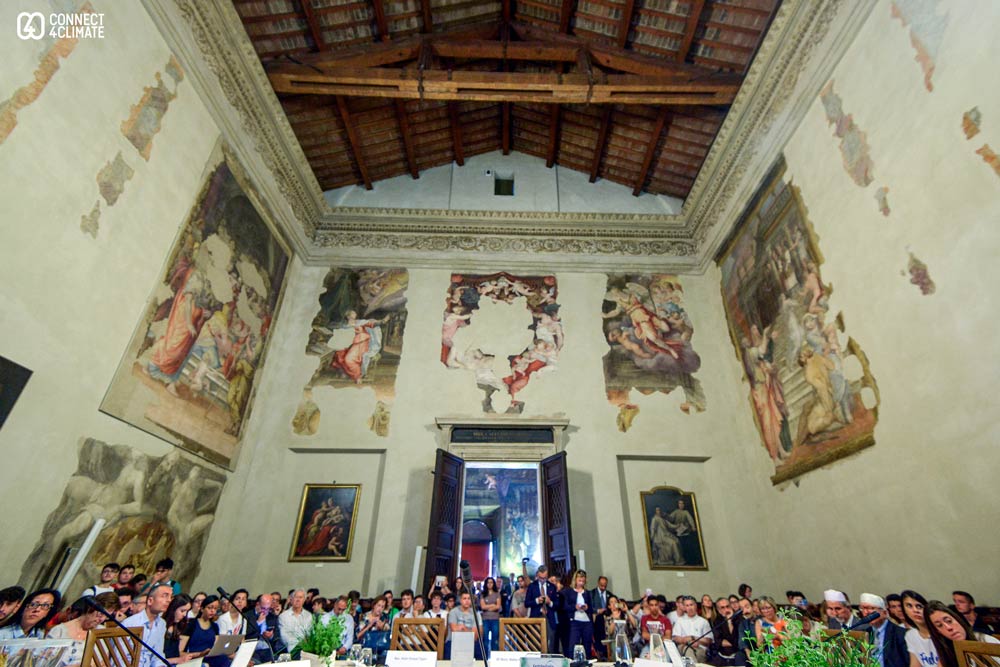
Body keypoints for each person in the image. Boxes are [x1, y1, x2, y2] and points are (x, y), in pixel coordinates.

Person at [926, 600, 1000, 667]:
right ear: (938, 632)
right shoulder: (946, 653)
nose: (948, 627)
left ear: (958, 619)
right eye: (940, 625)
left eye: (949, 621)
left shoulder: (985, 640)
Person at [48, 596, 109, 666]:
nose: (102, 620)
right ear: (89, 610)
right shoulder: (59, 631)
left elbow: (104, 663)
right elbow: (47, 660)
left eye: (105, 616)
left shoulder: (101, 632)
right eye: (100, 615)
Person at [123, 583, 172, 667]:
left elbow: (158, 655)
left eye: (170, 597)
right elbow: (118, 657)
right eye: (164, 596)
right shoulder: (130, 623)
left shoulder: (162, 624)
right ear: (150, 601)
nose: (169, 600)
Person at [857, 593, 908, 667]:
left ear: (884, 612)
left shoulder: (900, 634)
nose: (866, 612)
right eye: (863, 608)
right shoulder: (864, 633)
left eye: (871, 608)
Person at [180, 595, 232, 667]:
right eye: (209, 608)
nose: (212, 611)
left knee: (223, 658)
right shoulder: (191, 625)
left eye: (215, 608)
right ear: (202, 609)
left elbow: (216, 647)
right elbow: (180, 651)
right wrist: (200, 654)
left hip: (210, 657)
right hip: (194, 658)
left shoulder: (214, 626)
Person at [901, 589, 938, 667]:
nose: (915, 610)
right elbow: (915, 664)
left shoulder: (939, 630)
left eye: (919, 606)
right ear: (905, 611)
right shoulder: (910, 635)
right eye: (909, 606)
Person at [526, 565, 558, 653]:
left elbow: (557, 604)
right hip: (536, 617)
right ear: (537, 575)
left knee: (550, 644)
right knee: (535, 643)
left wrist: (549, 602)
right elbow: (526, 603)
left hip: (549, 618)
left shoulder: (552, 587)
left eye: (544, 578)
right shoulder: (532, 586)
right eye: (540, 578)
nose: (542, 580)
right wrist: (536, 601)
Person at [563, 570, 594, 660]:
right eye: (579, 580)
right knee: (573, 644)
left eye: (583, 581)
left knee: (587, 644)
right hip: (574, 621)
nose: (581, 583)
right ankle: (573, 662)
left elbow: (592, 609)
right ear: (575, 580)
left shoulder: (587, 593)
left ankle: (587, 662)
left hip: (586, 622)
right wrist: (575, 607)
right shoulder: (568, 592)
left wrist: (587, 607)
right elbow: (565, 606)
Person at [674, 596, 712, 663]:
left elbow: (709, 640)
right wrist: (687, 642)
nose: (690, 608)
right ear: (685, 608)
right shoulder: (680, 621)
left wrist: (694, 638)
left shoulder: (703, 621)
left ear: (696, 606)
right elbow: (676, 638)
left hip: (699, 649)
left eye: (691, 605)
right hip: (683, 647)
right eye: (687, 605)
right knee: (687, 649)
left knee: (690, 652)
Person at [446, 591, 481, 660]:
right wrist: (469, 631)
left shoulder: (475, 613)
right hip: (453, 640)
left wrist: (463, 628)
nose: (467, 601)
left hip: (469, 641)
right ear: (460, 600)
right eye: (464, 599)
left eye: (469, 599)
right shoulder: (453, 612)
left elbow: (474, 636)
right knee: (448, 648)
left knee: (480, 649)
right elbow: (454, 630)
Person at [163, 594, 193, 663]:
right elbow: (157, 660)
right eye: (182, 611)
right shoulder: (162, 627)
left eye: (187, 612)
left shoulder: (176, 627)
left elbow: (175, 653)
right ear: (173, 609)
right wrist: (178, 660)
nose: (184, 615)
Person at [712, 597, 740, 666]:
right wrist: (732, 642)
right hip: (722, 655)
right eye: (722, 608)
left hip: (737, 655)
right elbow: (719, 641)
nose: (726, 609)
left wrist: (730, 622)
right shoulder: (717, 621)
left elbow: (737, 641)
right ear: (718, 610)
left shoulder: (739, 619)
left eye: (728, 606)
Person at [591, 577, 613, 659]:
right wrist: (597, 611)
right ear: (598, 583)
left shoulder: (609, 594)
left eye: (605, 585)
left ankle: (607, 654)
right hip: (596, 619)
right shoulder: (592, 593)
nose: (603, 587)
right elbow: (589, 608)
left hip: (607, 620)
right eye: (601, 585)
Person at [479, 578, 501, 656]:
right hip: (485, 619)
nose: (490, 584)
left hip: (495, 619)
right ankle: (484, 658)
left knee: (495, 640)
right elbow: (482, 607)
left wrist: (488, 607)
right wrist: (492, 605)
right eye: (488, 582)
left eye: (491, 582)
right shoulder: (483, 594)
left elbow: (498, 606)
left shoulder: (497, 593)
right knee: (485, 639)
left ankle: (494, 658)